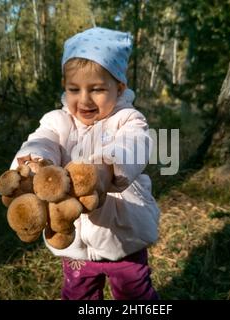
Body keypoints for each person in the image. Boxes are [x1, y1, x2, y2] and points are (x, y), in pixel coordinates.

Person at [9, 27, 160, 300]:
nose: (84, 99)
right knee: (79, 294)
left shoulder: (128, 119)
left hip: (124, 236)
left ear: (119, 88)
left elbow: (133, 145)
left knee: (135, 293)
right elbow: (43, 140)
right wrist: (33, 163)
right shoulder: (58, 120)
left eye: (97, 89)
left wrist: (104, 170)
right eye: (74, 89)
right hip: (76, 244)